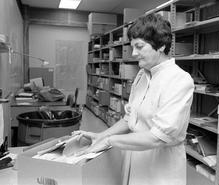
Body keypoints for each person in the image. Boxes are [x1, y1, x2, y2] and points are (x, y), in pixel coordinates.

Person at [73, 13, 194, 185]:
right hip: (134, 158)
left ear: (161, 46)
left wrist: (109, 140)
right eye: (132, 47)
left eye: (139, 46)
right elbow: (130, 119)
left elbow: (158, 137)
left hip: (160, 168)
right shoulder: (141, 76)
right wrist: (100, 136)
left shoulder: (179, 80)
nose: (134, 53)